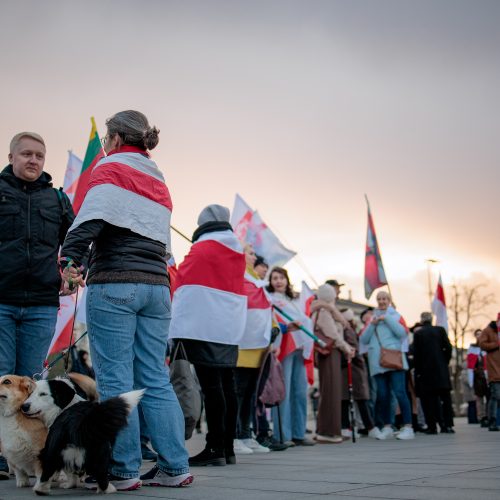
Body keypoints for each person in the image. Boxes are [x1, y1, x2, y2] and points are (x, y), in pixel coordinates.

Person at [60, 110, 192, 489]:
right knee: (154, 376)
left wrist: (70, 263)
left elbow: (89, 222)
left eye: (105, 137)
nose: (104, 144)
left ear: (115, 138)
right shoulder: (157, 176)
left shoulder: (110, 166)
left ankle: (122, 469)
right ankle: (174, 467)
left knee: (116, 378)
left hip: (116, 281)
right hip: (156, 285)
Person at [0, 131, 75, 479]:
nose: (33, 160)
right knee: (1, 381)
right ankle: (3, 457)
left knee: (30, 385)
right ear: (12, 156)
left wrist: (73, 268)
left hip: (42, 305)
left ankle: (26, 457)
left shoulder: (57, 200)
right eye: (26, 154)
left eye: (39, 156)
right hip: (1, 301)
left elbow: (74, 241)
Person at [169, 204, 247, 466]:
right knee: (228, 386)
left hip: (202, 325)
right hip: (228, 326)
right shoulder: (237, 249)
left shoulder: (201, 248)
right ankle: (227, 448)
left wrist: (175, 328)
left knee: (212, 387)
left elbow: (183, 287)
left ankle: (214, 448)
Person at [266, 267, 314, 446]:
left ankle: (299, 433)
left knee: (300, 392)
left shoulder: (294, 299)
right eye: (274, 278)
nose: (278, 281)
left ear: (287, 279)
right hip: (284, 347)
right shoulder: (271, 299)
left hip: (300, 348)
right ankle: (282, 435)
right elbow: (272, 321)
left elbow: (306, 320)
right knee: (284, 392)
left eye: (281, 277)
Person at [360, 291, 414, 440]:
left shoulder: (396, 316)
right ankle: (387, 426)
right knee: (382, 396)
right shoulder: (372, 318)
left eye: (384, 299)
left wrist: (388, 319)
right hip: (377, 363)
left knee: (400, 392)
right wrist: (373, 324)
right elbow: (364, 339)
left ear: (389, 300)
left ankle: (408, 426)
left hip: (394, 360)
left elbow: (402, 333)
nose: (381, 301)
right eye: (379, 299)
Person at [233, 244, 272, 455]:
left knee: (250, 393)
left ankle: (246, 434)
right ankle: (235, 436)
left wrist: (273, 328)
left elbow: (265, 310)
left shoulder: (256, 281)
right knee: (237, 392)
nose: (254, 256)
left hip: (257, 347)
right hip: (241, 347)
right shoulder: (238, 277)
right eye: (250, 253)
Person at [310, 284, 355, 443]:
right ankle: (328, 431)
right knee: (331, 391)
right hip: (331, 353)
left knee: (330, 391)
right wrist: (346, 347)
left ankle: (327, 430)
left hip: (331, 353)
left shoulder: (326, 310)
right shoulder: (324, 311)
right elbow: (333, 334)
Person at [340, 309, 384, 439]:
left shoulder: (346, 330)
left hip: (351, 369)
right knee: (354, 399)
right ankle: (365, 427)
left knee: (354, 399)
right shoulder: (348, 329)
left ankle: (362, 427)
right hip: (352, 369)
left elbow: (353, 349)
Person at [413, 312, 453, 434]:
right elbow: (449, 347)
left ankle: (432, 426)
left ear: (421, 320)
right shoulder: (440, 330)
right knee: (445, 400)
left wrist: (418, 371)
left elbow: (417, 354)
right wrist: (444, 361)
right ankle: (447, 425)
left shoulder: (419, 334)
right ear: (431, 319)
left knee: (429, 401)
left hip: (426, 372)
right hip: (441, 371)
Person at [478, 320, 500, 431]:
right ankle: (492, 421)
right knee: (496, 396)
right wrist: (496, 344)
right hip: (495, 369)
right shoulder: (488, 331)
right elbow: (482, 344)